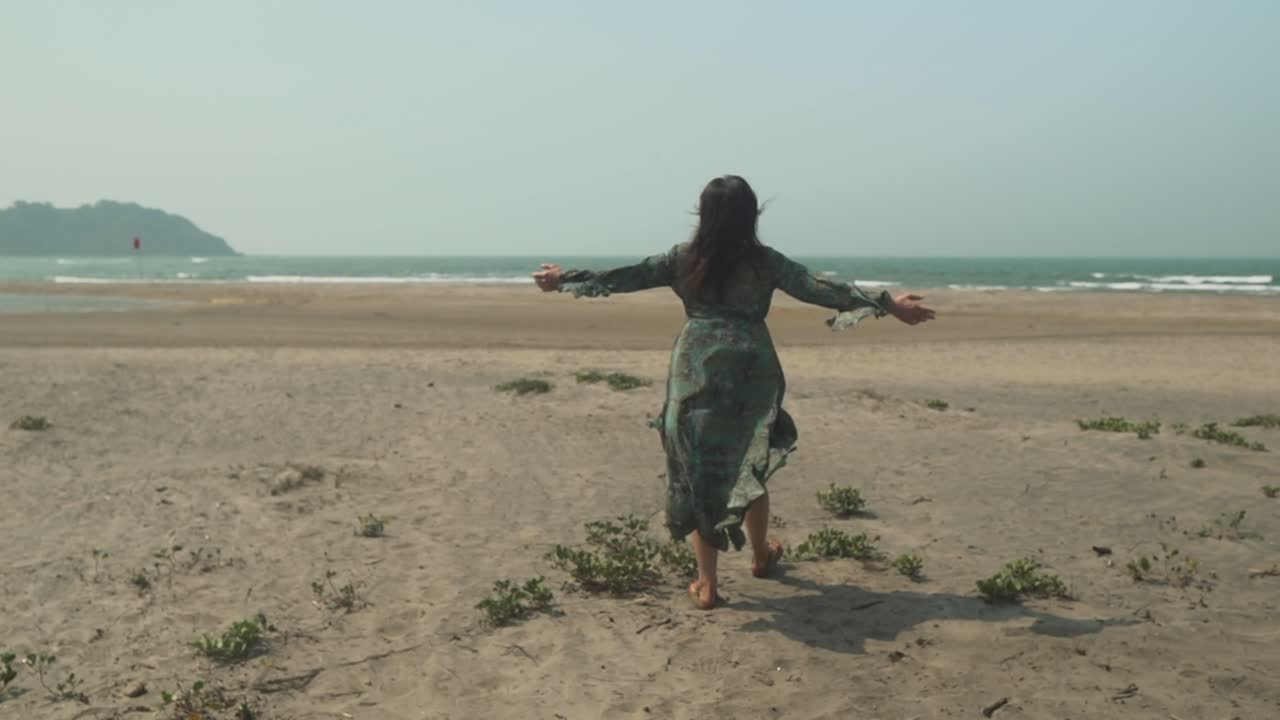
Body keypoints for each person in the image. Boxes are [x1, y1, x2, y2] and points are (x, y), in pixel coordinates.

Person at [533, 175, 935, 610]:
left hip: (695, 366)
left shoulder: (682, 258)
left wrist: (563, 278)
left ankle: (708, 585)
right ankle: (760, 556)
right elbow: (820, 288)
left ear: (703, 214)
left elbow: (621, 277)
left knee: (697, 465)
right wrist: (888, 304)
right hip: (751, 366)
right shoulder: (765, 262)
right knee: (750, 456)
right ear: (751, 215)